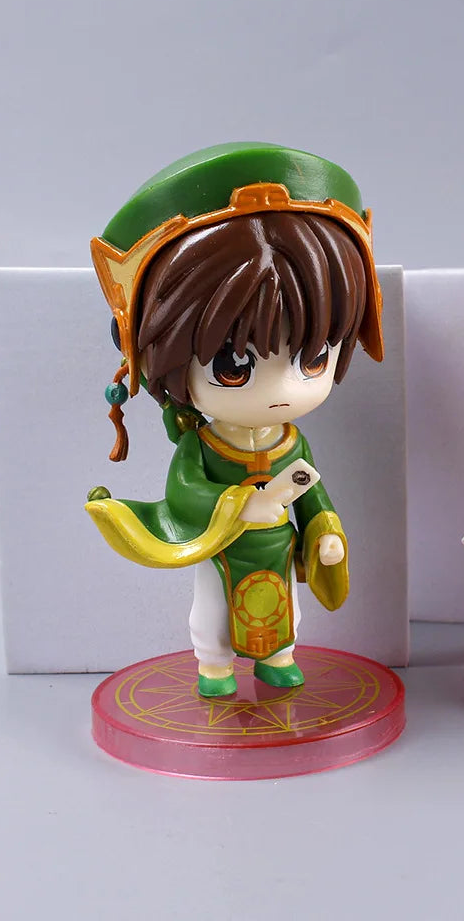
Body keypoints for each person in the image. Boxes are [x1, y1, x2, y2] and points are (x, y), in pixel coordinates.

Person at [84, 143, 383, 695]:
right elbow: (185, 495)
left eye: (313, 359)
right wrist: (242, 505)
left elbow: (314, 495)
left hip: (278, 547)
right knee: (213, 613)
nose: (283, 391)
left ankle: (278, 657)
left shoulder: (291, 441)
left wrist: (323, 532)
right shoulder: (202, 447)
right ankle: (215, 665)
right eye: (233, 366)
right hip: (226, 549)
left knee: (286, 612)